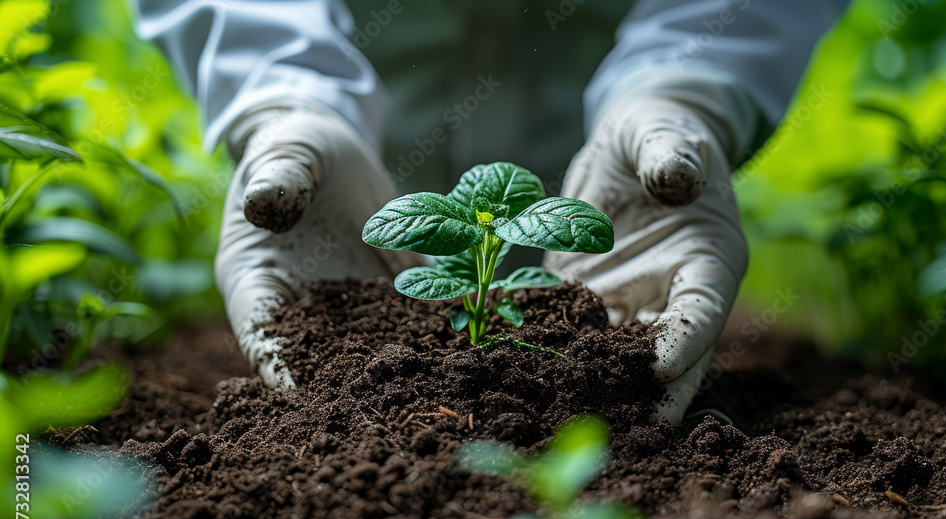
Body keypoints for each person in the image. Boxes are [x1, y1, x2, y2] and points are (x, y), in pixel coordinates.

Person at [131, 0, 850, 422]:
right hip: (372, 115)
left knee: (578, 316)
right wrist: (281, 91)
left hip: (604, 126)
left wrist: (689, 85)